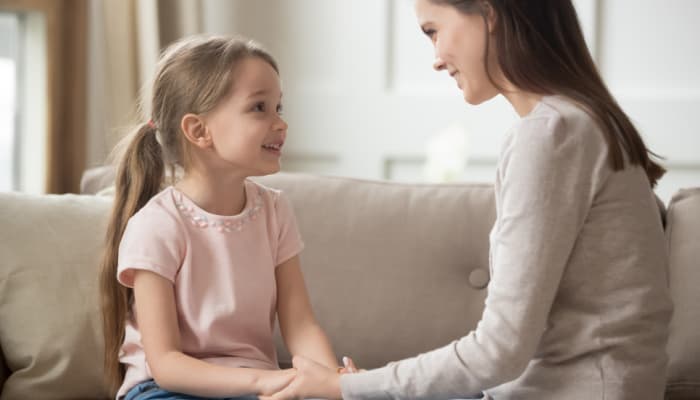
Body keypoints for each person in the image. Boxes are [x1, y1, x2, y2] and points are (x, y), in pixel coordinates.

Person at [262, 1, 673, 399]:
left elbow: (499, 351)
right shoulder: (582, 123)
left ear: (490, 14)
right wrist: (368, 386)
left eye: (433, 31)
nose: (437, 59)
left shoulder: (552, 134)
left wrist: (347, 388)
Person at [99, 35, 344, 400]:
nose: (281, 124)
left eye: (279, 107)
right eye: (260, 108)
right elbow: (166, 364)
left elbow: (302, 326)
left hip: (253, 383)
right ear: (199, 131)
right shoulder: (157, 225)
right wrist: (265, 381)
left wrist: (334, 381)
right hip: (164, 390)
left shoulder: (275, 211)